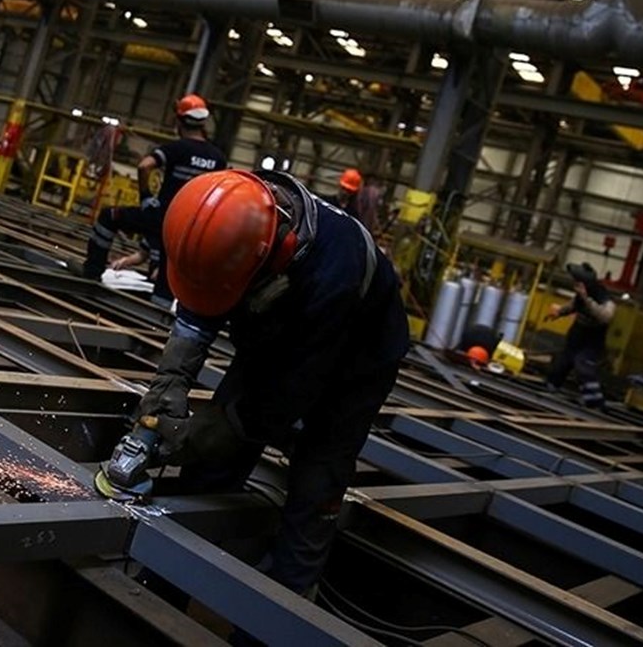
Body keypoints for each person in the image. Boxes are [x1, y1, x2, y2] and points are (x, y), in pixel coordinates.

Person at [133, 169, 409, 627]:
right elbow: (197, 313)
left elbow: (290, 392)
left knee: (317, 474)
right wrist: (169, 384)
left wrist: (218, 431)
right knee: (210, 468)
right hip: (279, 328)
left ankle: (281, 612)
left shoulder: (335, 272)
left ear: (270, 260)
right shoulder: (232, 207)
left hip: (357, 359)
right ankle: (164, 584)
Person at [82, 94, 227, 305]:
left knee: (109, 217)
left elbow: (144, 166)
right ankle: (160, 310)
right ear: (203, 122)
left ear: (179, 120)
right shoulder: (218, 157)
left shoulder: (176, 148)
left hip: (163, 217)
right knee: (170, 261)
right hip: (191, 228)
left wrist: (146, 197)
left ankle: (92, 273)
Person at [544, 263, 615, 408]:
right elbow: (572, 306)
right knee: (562, 363)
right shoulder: (579, 297)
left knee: (583, 366)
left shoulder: (603, 297)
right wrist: (559, 312)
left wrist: (586, 299)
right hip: (577, 335)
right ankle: (550, 388)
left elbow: (606, 316)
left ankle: (595, 402)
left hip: (592, 340)